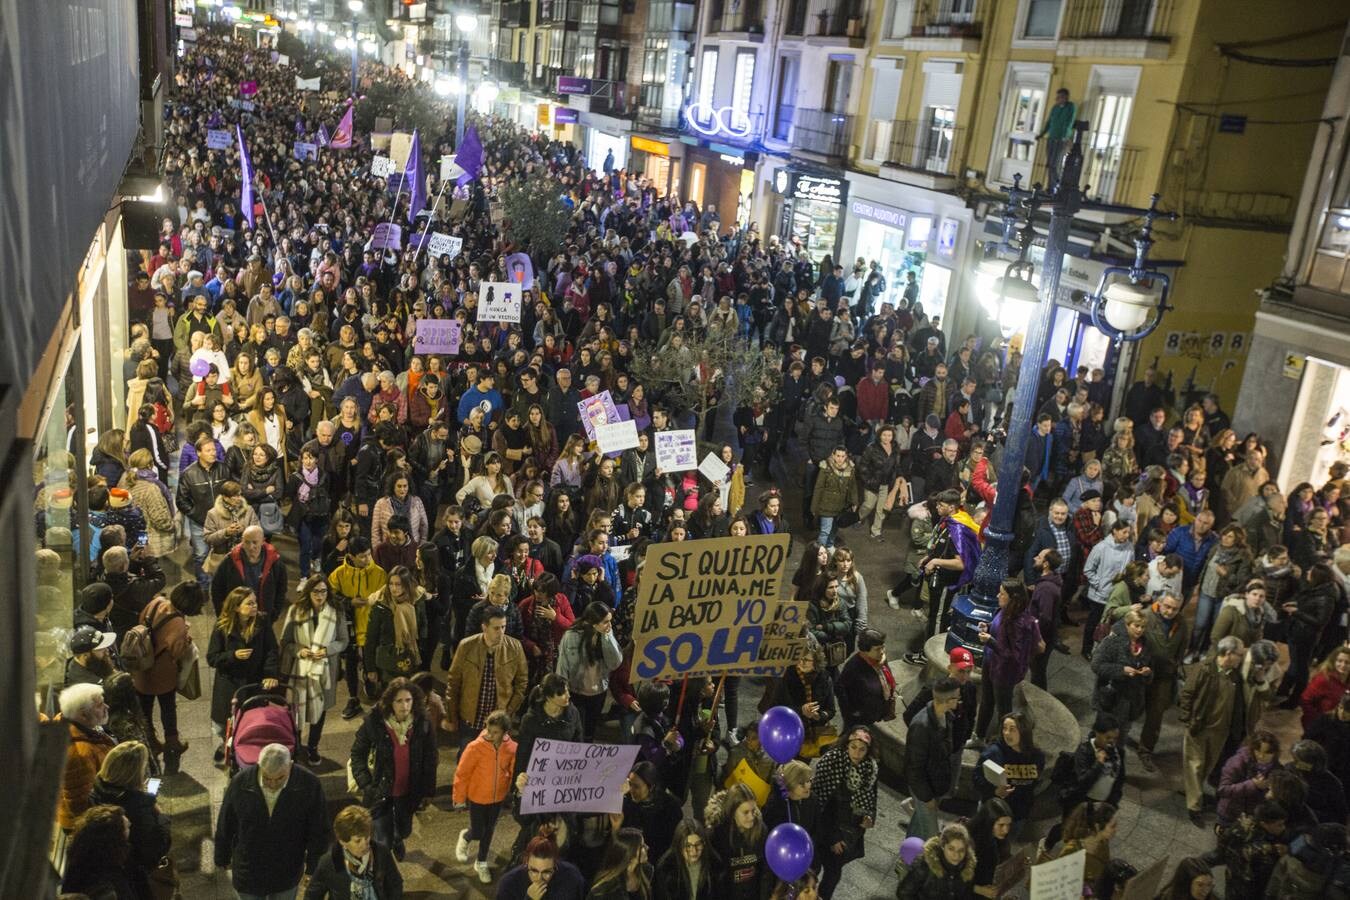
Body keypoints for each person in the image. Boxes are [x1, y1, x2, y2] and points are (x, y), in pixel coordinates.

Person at [214, 743, 330, 900]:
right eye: (267, 778)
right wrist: (222, 856)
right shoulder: (240, 783)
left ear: (290, 766)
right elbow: (226, 823)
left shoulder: (309, 784)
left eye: (280, 778)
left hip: (287, 870)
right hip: (249, 872)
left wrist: (313, 867)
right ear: (259, 766)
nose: (273, 784)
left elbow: (319, 830)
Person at [349, 677, 439, 861]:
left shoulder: (423, 723)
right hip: (381, 791)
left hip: (408, 791)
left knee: (404, 829)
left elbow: (430, 758)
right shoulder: (374, 723)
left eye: (408, 700)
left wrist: (428, 790)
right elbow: (357, 754)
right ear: (390, 702)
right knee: (382, 840)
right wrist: (367, 785)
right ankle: (384, 874)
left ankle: (399, 839)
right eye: (399, 701)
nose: (404, 706)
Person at [207, 587, 281, 764]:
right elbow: (212, 657)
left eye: (255, 602)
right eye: (249, 603)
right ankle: (228, 746)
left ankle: (247, 752)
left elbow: (271, 650)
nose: (255, 606)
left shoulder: (262, 622)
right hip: (229, 685)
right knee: (224, 723)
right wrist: (232, 656)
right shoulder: (222, 627)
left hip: (253, 683)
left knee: (252, 722)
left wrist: (270, 674)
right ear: (236, 607)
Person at [282, 575, 350, 765]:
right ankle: (295, 744)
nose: (320, 595)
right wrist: (299, 651)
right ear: (308, 592)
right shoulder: (296, 611)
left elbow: (343, 641)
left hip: (325, 671)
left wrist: (327, 650)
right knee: (297, 710)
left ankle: (312, 747)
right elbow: (286, 642)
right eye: (316, 591)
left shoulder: (336, 611)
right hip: (300, 671)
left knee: (320, 712)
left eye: (324, 591)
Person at [89, 741, 172, 896]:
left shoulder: (96, 791)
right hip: (138, 877)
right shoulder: (139, 807)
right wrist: (161, 816)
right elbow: (156, 848)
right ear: (133, 775)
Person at [1179, 635, 1245, 827]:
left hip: (1220, 732)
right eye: (1239, 655)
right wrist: (1188, 720)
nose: (1241, 659)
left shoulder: (1234, 675)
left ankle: (1194, 795)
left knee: (1206, 766)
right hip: (1199, 727)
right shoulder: (1204, 669)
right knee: (1195, 765)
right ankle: (1194, 806)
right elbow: (1187, 694)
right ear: (1229, 654)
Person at [444, 607, 528, 748]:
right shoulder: (466, 646)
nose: (501, 632)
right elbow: (453, 682)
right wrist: (452, 716)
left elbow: (522, 683)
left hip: (497, 721)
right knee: (466, 757)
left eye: (503, 627)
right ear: (484, 627)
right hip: (470, 719)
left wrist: (508, 711)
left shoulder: (515, 647)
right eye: (496, 628)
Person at [812, 726, 878, 899]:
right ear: (846, 745)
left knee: (833, 873)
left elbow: (872, 797)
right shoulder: (832, 762)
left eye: (862, 749)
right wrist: (833, 837)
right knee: (813, 868)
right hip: (825, 828)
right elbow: (821, 802)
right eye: (853, 747)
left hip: (849, 829)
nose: (857, 753)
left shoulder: (870, 769)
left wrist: (869, 816)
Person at [974, 579, 1041, 742]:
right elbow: (999, 630)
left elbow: (1013, 655)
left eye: (1002, 593)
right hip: (990, 663)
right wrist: (988, 627)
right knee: (986, 701)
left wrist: (990, 641)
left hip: (1004, 672)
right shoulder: (1003, 611)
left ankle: (1004, 743)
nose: (998, 595)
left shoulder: (1018, 623)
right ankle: (979, 737)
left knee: (1003, 710)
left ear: (1013, 598)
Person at [131, 588, 194, 766]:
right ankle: (172, 743)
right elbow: (177, 652)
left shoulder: (156, 602)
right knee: (167, 708)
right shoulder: (178, 623)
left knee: (145, 708)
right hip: (163, 672)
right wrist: (186, 639)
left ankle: (150, 741)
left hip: (142, 667)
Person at [329, 537, 389, 720]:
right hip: (350, 628)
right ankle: (353, 698)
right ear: (351, 557)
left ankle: (372, 684)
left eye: (369, 555)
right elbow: (330, 595)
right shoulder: (339, 574)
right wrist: (349, 602)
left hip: (372, 628)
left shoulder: (379, 573)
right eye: (362, 557)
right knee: (351, 663)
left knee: (376, 661)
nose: (367, 559)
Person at [1136, 591, 1189, 772]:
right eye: (1167, 606)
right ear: (1160, 603)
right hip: (1141, 672)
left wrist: (1175, 665)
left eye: (1175, 608)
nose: (1170, 611)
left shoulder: (1182, 624)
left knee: (1156, 715)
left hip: (1164, 675)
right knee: (1130, 707)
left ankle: (1145, 750)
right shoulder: (1146, 616)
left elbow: (1182, 648)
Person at [304, 804, 404, 900]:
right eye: (358, 841)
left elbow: (395, 884)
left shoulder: (381, 852)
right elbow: (312, 895)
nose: (365, 844)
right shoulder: (329, 862)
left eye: (367, 837)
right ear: (343, 841)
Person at [555, 600, 623, 740]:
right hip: (576, 692)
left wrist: (607, 637)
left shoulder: (606, 634)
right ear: (593, 622)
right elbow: (562, 666)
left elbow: (615, 662)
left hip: (598, 691)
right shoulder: (571, 636)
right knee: (577, 730)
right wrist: (561, 693)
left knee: (590, 730)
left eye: (610, 621)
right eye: (605, 622)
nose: (609, 625)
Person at [904, 676, 960, 839]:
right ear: (948, 700)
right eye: (957, 697)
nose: (959, 700)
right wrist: (926, 797)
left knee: (918, 827)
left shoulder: (946, 717)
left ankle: (907, 857)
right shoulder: (922, 726)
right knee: (931, 837)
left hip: (935, 785)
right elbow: (914, 768)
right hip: (925, 790)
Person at [973, 712, 1043, 831]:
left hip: (1018, 815)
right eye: (1004, 728)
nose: (1007, 733)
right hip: (993, 813)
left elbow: (1035, 780)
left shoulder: (1036, 756)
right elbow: (976, 779)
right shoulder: (993, 754)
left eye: (1012, 729)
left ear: (1023, 731)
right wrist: (994, 791)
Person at [364, 565, 427, 692]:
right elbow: (371, 638)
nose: (394, 588)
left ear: (406, 584)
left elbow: (423, 628)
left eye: (398, 584)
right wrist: (370, 668)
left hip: (412, 660)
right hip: (388, 663)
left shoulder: (416, 601)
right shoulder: (381, 605)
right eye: (391, 584)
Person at [211, 523, 289, 621]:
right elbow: (217, 588)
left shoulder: (275, 562)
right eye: (246, 542)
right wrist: (222, 614)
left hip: (264, 618)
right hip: (236, 617)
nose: (251, 546)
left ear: (263, 541)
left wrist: (274, 613)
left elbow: (281, 590)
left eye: (255, 542)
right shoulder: (230, 561)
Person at [1081, 518, 1135, 658]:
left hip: (1117, 596)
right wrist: (1099, 584)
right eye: (1124, 532)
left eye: (1128, 532)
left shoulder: (1129, 547)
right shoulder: (1101, 547)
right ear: (1114, 531)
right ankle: (1086, 649)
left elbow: (1130, 568)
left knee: (1112, 626)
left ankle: (1104, 651)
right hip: (1099, 596)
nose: (1126, 535)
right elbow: (1088, 569)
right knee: (1094, 623)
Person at [1090, 608, 1153, 729]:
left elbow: (1150, 668)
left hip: (1131, 700)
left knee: (1123, 731)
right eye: (1136, 626)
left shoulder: (1146, 645)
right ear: (1127, 625)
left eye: (1143, 627)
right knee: (1103, 732)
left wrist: (1147, 673)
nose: (1140, 630)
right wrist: (1121, 670)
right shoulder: (1112, 642)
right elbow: (1096, 665)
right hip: (1110, 699)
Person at [60, 804, 140, 900]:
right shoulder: (108, 879)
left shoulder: (80, 859)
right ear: (114, 837)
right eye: (127, 827)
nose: (130, 825)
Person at [703, 783, 766, 900]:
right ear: (732, 812)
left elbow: (765, 871)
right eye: (745, 812)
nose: (752, 817)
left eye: (753, 811)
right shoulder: (715, 835)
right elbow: (713, 877)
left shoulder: (761, 830)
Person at [896, 822, 977, 900]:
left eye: (961, 850)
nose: (956, 855)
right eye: (951, 849)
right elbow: (904, 893)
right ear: (942, 846)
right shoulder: (925, 865)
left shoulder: (967, 868)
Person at [834, 627, 895, 730]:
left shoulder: (879, 659)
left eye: (882, 647)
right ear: (865, 650)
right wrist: (852, 712)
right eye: (877, 649)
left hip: (875, 711)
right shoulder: (853, 667)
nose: (882, 652)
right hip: (860, 718)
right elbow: (839, 688)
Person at [1216, 731, 1281, 825]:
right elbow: (1223, 790)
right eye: (1258, 751)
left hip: (1253, 817)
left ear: (1274, 753)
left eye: (1267, 753)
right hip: (1230, 814)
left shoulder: (1277, 768)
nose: (1261, 756)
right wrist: (1253, 784)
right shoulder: (1237, 762)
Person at [497, 836, 588, 900]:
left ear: (555, 864)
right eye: (534, 871)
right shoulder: (509, 884)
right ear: (526, 862)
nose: (539, 878)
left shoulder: (572, 876)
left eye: (546, 872)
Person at [652, 819, 717, 900]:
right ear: (678, 846)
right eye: (688, 846)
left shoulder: (715, 867)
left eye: (698, 844)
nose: (694, 851)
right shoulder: (665, 870)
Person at [965, 799, 1013, 899]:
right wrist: (979, 889)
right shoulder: (968, 842)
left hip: (988, 886)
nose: (1006, 830)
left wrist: (1017, 865)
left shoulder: (997, 837)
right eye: (1001, 825)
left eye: (1008, 825)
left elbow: (1003, 858)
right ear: (988, 822)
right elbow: (953, 877)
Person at [587, 826, 652, 900]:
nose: (647, 847)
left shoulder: (647, 873)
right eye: (642, 846)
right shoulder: (604, 890)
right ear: (630, 852)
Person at [1299, 645, 1350, 728]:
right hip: (1319, 725)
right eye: (1339, 661)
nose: (1343, 665)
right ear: (1333, 661)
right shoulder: (1323, 679)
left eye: (1347, 662)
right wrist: (1318, 721)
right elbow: (1305, 700)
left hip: (1340, 725)